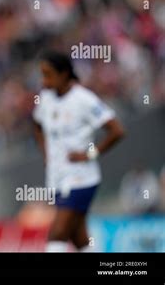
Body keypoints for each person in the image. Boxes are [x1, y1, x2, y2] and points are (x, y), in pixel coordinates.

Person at [32, 50, 124, 252]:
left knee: (58, 232)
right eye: (42, 74)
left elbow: (116, 130)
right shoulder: (46, 98)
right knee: (79, 238)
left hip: (81, 178)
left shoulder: (84, 99)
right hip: (57, 177)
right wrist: (45, 152)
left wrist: (90, 154)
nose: (43, 80)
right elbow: (37, 124)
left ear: (64, 74)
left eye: (48, 74)